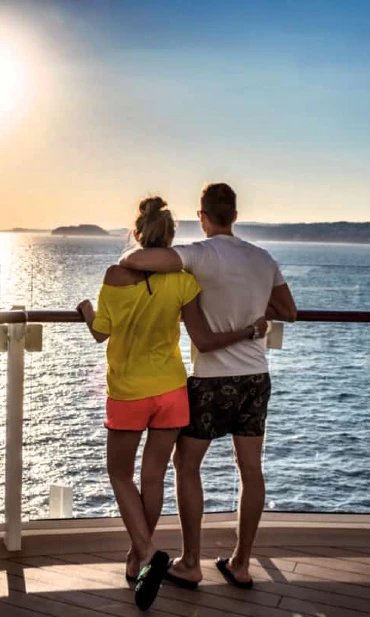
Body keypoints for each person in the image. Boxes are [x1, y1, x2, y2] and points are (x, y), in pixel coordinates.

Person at [77, 196, 269, 610]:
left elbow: (101, 332)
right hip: (172, 390)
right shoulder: (183, 281)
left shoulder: (115, 274)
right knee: (153, 477)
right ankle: (136, 558)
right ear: (170, 239)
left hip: (129, 391)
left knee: (118, 474)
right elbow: (203, 326)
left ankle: (146, 552)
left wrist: (87, 309)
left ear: (137, 233)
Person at [117, 183, 297, 591]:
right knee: (251, 470)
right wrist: (252, 305)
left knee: (186, 467)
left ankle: (192, 562)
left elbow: (135, 257)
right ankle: (242, 563)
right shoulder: (262, 258)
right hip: (255, 377)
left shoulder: (199, 254)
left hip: (211, 381)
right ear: (235, 215)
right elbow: (289, 311)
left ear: (202, 216)